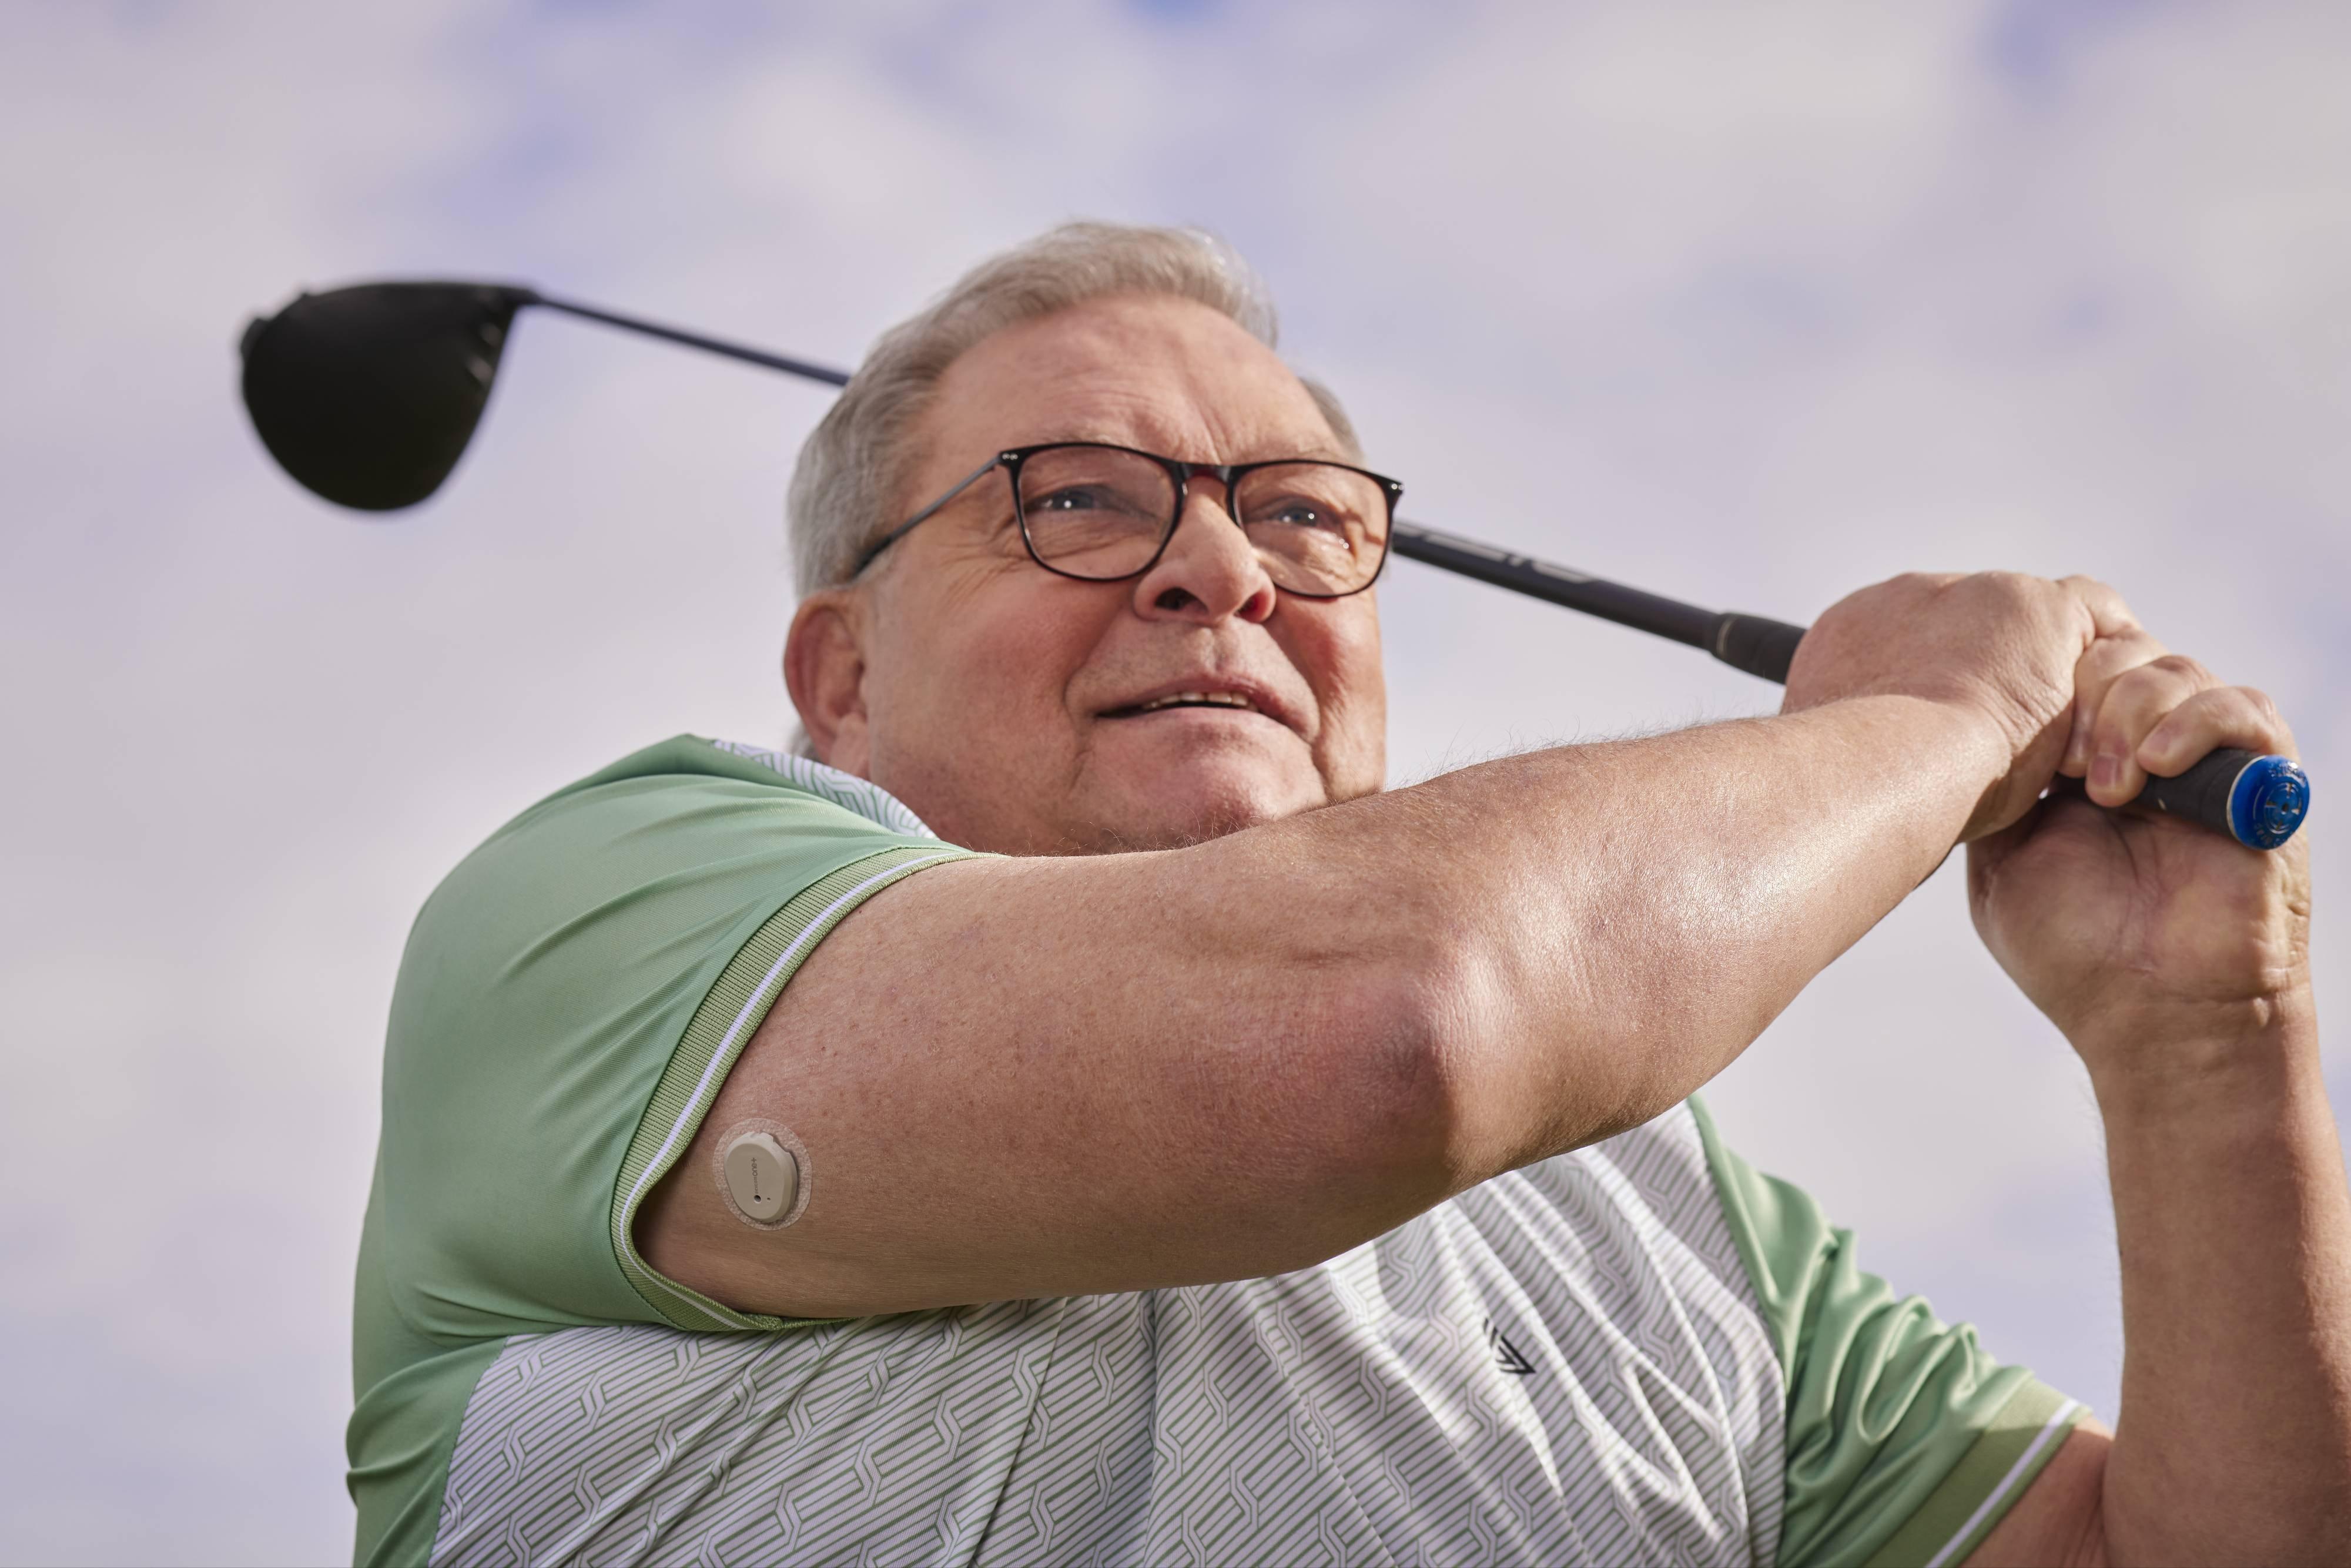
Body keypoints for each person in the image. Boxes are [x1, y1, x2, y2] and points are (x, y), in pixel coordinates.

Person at [347, 223, 2346, 1567]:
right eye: (1081, 495)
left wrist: (2208, 1049)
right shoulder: (610, 909)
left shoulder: (1672, 1205)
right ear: (842, 682)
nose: (1221, 572)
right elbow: (1379, 1037)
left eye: (1299, 516)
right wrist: (1931, 714)